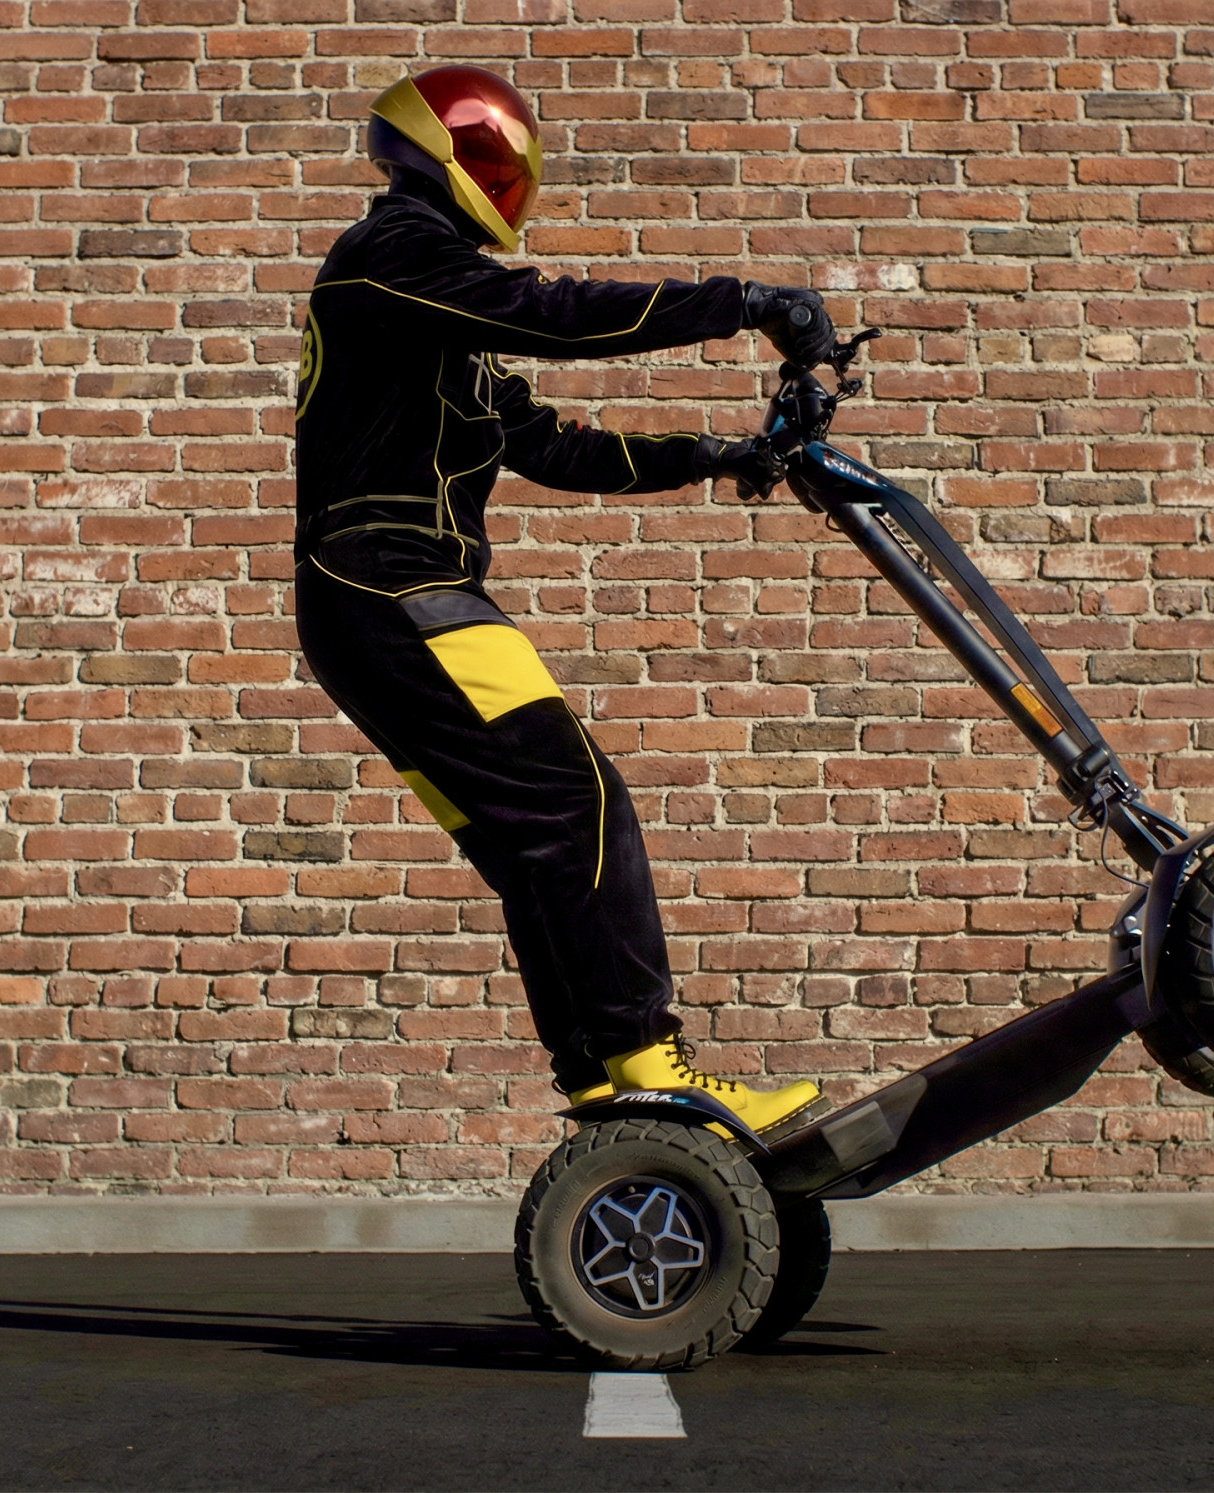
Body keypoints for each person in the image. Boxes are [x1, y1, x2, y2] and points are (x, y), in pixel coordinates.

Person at [291, 65, 837, 1134]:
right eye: (494, 163)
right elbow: (552, 313)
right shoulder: (391, 256)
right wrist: (741, 303)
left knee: (536, 839)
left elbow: (550, 445)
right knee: (577, 800)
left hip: (389, 594)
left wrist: (717, 453)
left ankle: (606, 1076)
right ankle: (647, 1060)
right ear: (444, 160)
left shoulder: (430, 307)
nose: (509, 184)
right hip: (390, 585)